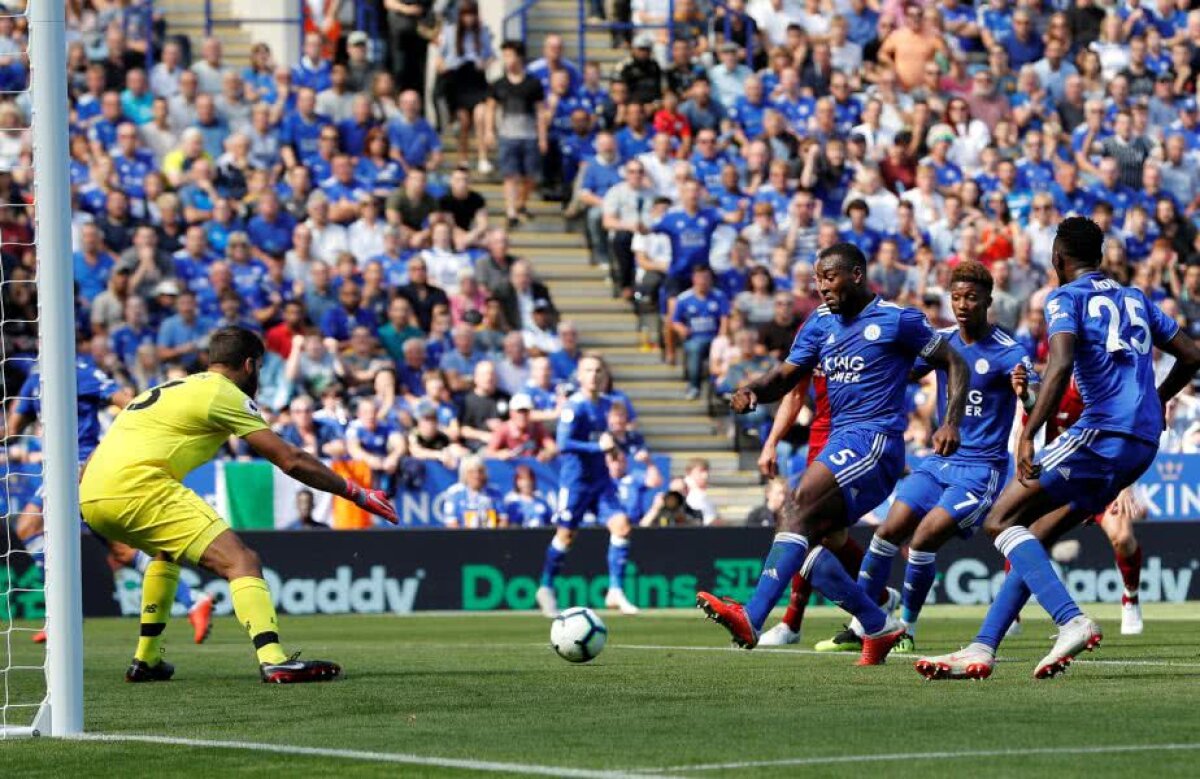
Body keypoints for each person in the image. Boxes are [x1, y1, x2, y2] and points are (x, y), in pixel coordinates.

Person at [916, 217, 1200, 681]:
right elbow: (1191, 355)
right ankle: (983, 647)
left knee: (1000, 519)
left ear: (1057, 259)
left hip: (1101, 433)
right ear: (1100, 257)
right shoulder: (1135, 297)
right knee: (1038, 531)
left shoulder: (1064, 297)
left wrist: (1029, 433)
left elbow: (1062, 363)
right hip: (1143, 441)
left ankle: (1071, 619)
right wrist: (1160, 399)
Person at [696, 243, 968, 665]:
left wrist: (949, 420)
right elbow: (786, 377)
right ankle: (877, 624)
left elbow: (954, 362)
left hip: (875, 442)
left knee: (798, 503)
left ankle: (754, 617)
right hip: (841, 440)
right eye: (818, 279)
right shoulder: (820, 323)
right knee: (806, 538)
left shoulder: (898, 320)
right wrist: (753, 391)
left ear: (856, 275)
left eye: (830, 277)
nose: (821, 287)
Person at [79, 327, 397, 683]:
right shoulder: (223, 393)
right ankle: (273, 658)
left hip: (91, 494)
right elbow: (288, 458)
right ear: (249, 365)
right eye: (258, 369)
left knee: (165, 552)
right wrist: (356, 492)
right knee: (242, 561)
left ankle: (147, 659)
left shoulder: (165, 389)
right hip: (138, 486)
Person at [816, 261, 1040, 656]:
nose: (962, 304)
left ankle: (907, 627)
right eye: (956, 297)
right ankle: (862, 625)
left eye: (971, 297)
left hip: (980, 469)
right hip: (937, 463)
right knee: (886, 533)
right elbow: (898, 371)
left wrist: (1026, 394)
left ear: (989, 300)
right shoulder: (941, 340)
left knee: (920, 542)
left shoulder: (1010, 351)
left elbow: (1036, 403)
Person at [536, 354, 639, 617]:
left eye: (598, 371)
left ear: (604, 376)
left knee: (622, 526)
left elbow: (605, 438)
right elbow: (563, 444)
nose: (593, 375)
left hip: (601, 481)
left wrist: (612, 449)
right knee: (566, 536)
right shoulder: (575, 406)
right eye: (588, 371)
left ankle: (615, 590)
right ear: (579, 376)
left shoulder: (608, 405)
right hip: (576, 482)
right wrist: (599, 447)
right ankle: (546, 586)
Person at [486, 41, 546, 229]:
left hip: (529, 134)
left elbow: (540, 111)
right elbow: (491, 108)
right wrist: (489, 130)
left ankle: (521, 203)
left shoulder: (533, 83)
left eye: (510, 55)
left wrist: (542, 136)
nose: (507, 60)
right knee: (509, 175)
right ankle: (510, 210)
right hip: (507, 134)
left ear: (519, 57)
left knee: (530, 175)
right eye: (504, 56)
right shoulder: (499, 84)